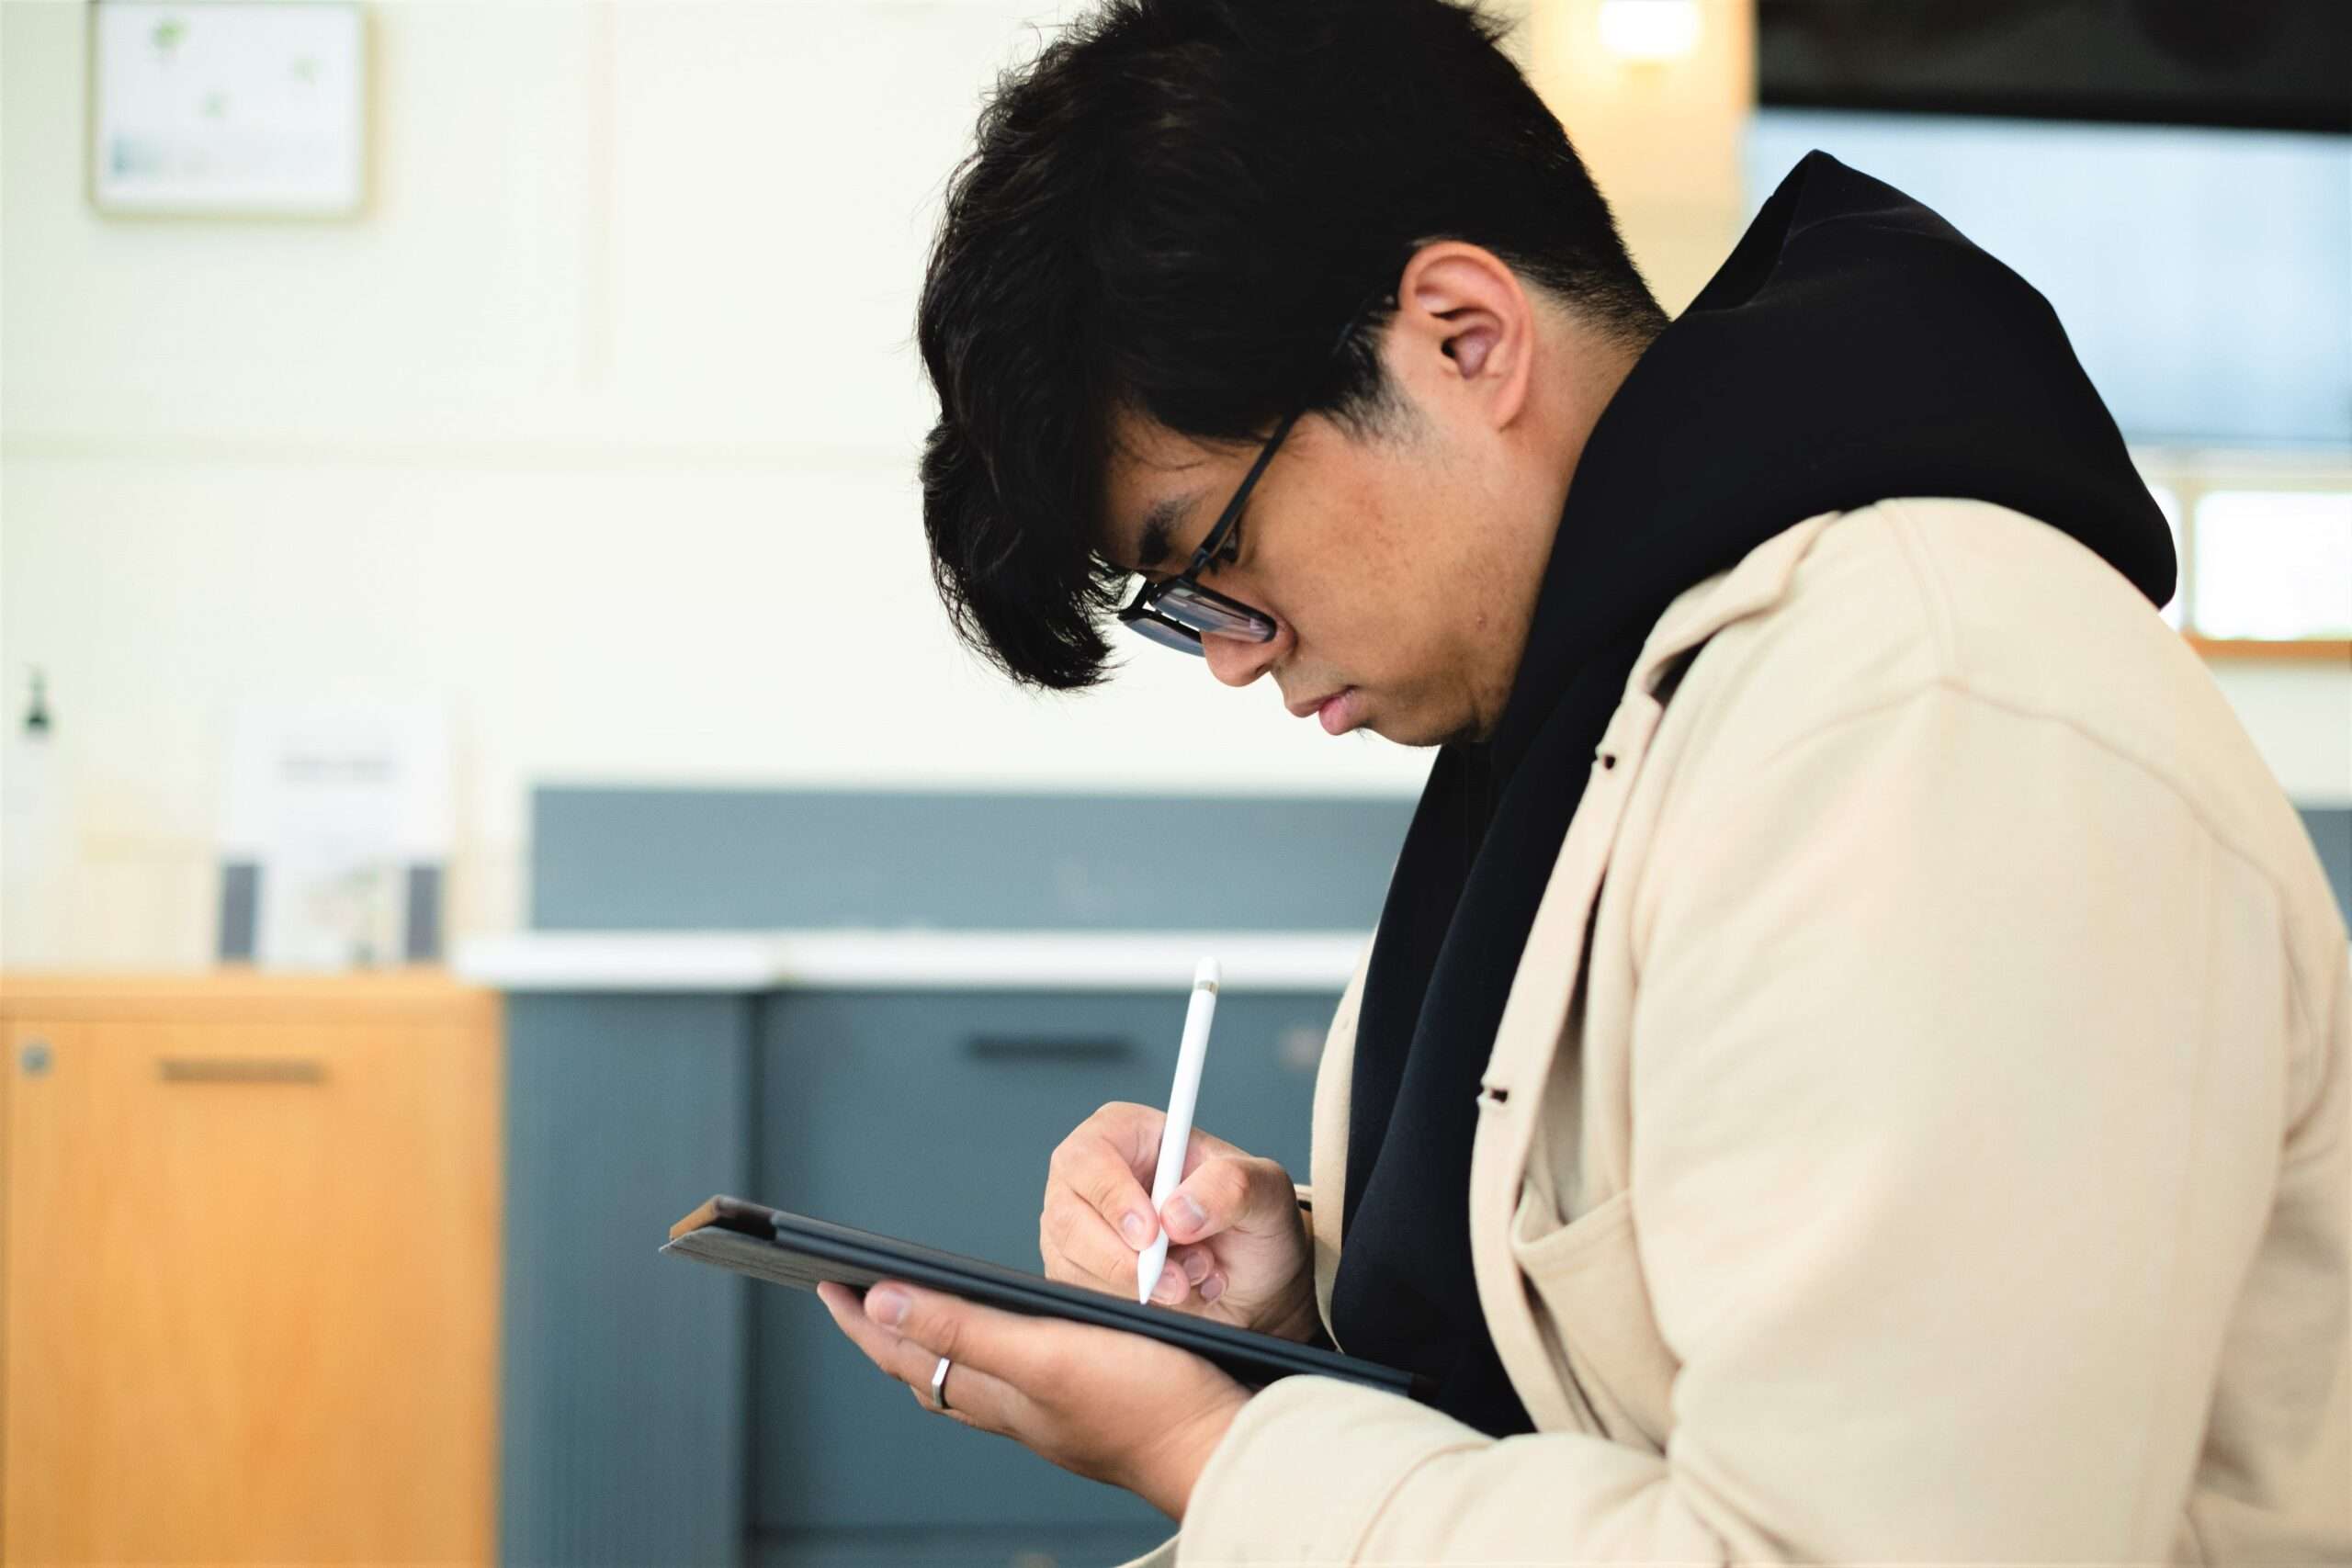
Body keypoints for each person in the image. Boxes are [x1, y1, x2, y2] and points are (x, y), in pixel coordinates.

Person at [817, 0, 2352, 1560]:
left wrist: (1222, 1454)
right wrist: (1292, 1317)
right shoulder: (1576, 713)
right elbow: (1590, 1405)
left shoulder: (1924, 709)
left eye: (1214, 551)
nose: (1230, 652)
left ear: (1462, 340)